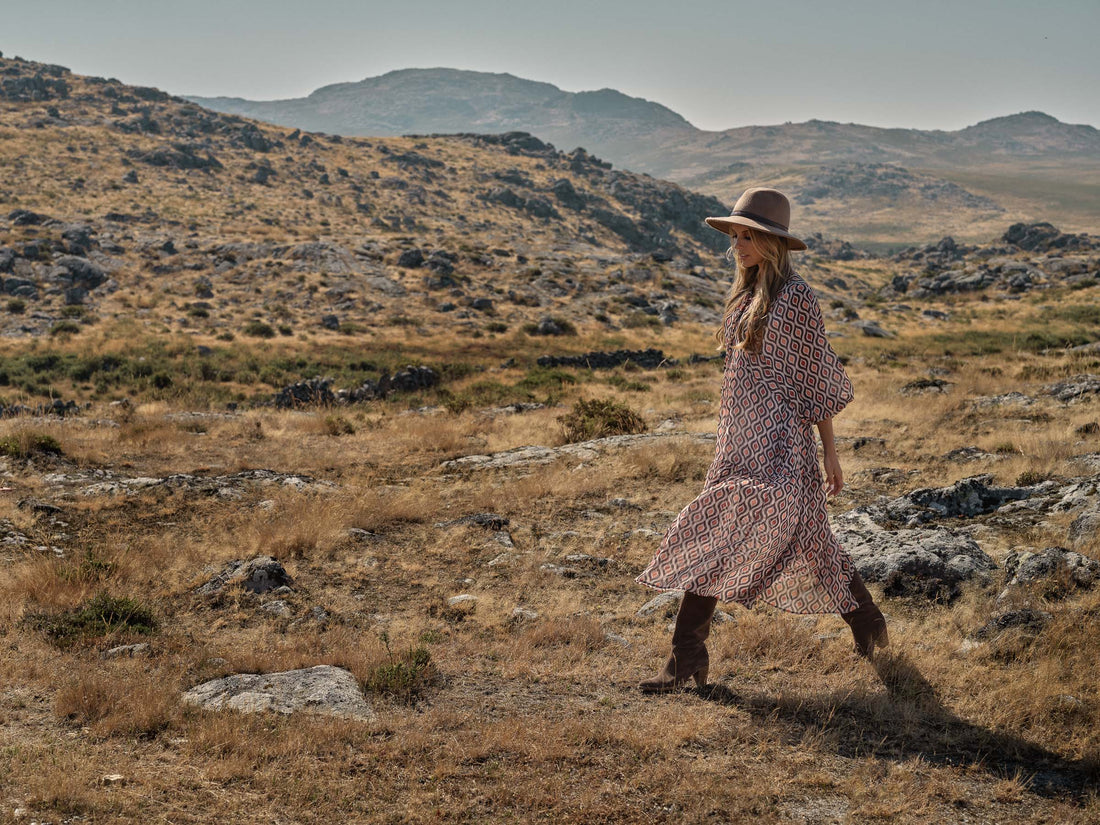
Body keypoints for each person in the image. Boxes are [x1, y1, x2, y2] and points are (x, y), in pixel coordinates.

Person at [636, 187, 888, 693]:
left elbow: (815, 378)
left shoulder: (797, 299)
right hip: (738, 443)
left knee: (776, 536)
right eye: (735, 234)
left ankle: (689, 656)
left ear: (773, 243)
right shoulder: (746, 294)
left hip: (780, 447)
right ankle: (866, 626)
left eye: (749, 236)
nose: (738, 244)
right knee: (769, 536)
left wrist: (831, 454)